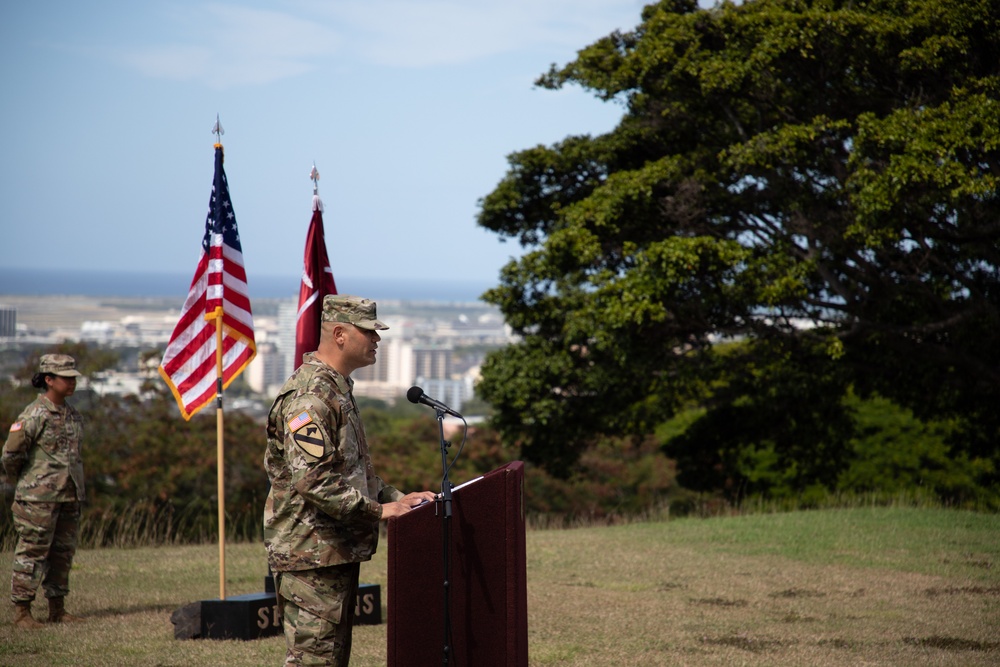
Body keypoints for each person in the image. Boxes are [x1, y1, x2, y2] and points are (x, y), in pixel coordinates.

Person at [264, 295, 435, 666]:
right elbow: (315, 481)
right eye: (369, 332)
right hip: (309, 556)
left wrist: (402, 499)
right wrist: (381, 510)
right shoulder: (310, 396)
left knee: (331, 660)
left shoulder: (336, 388)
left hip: (331, 550)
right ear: (340, 334)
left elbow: (355, 474)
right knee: (315, 662)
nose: (377, 340)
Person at [2, 354, 87, 629]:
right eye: (66, 377)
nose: (71, 382)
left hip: (68, 495)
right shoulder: (34, 414)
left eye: (73, 377)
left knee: (62, 553)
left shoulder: (73, 415)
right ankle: (22, 613)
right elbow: (11, 454)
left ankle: (57, 609)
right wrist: (26, 484)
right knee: (32, 552)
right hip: (37, 499)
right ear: (48, 380)